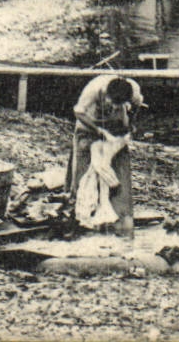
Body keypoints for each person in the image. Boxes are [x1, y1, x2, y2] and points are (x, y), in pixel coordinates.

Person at [67, 73, 144, 237]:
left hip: (115, 127)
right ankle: (81, 216)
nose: (114, 106)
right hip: (89, 125)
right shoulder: (93, 89)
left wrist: (132, 123)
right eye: (112, 102)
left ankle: (121, 215)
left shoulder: (133, 90)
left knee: (119, 168)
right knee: (84, 171)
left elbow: (137, 106)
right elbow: (78, 111)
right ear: (106, 94)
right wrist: (99, 130)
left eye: (119, 104)